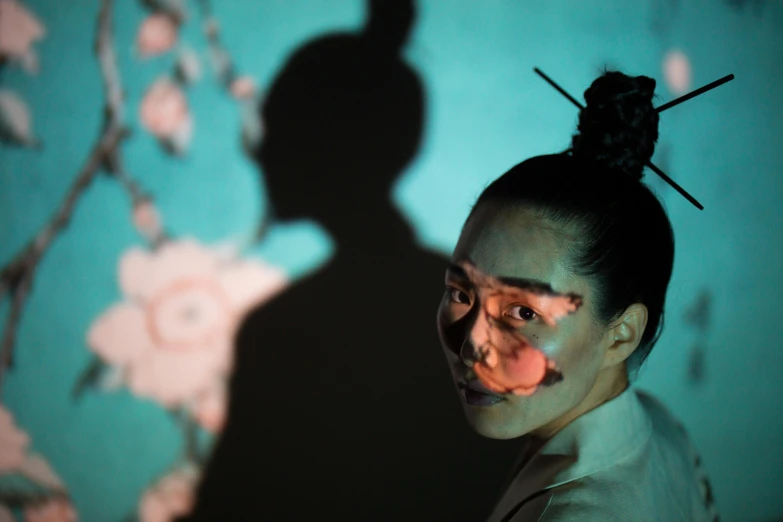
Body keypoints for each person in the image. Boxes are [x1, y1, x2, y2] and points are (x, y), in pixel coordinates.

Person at [181, 1, 519, 521]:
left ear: (325, 143)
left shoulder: (284, 332)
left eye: (276, 128)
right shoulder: (479, 313)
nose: (261, 153)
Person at [436, 70, 720, 521]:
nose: (472, 344)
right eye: (460, 293)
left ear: (621, 335)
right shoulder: (659, 426)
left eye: (523, 311)